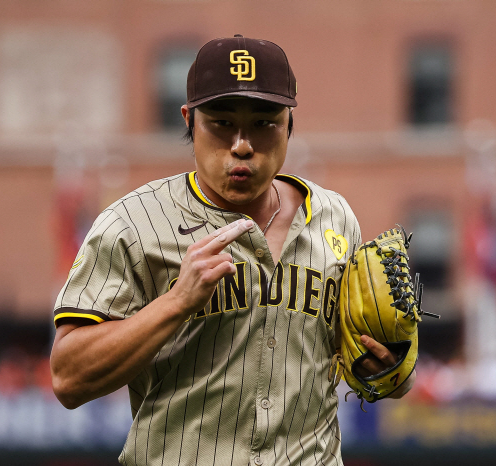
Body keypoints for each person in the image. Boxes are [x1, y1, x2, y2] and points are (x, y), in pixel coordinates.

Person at [50, 34, 414, 466]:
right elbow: (68, 378)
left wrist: (388, 365)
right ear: (189, 120)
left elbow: (381, 374)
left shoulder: (334, 217)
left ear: (289, 123)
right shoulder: (133, 224)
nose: (242, 144)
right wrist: (175, 303)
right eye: (222, 123)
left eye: (264, 123)